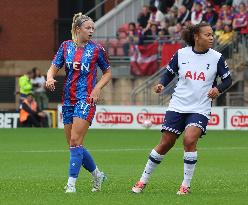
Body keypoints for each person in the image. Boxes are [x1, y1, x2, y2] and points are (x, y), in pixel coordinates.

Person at [132, 22, 232, 195]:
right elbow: (169, 72)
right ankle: (142, 181)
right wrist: (161, 84)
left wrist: (218, 89)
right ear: (196, 36)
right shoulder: (181, 54)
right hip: (178, 105)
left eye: (212, 34)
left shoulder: (216, 57)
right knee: (165, 144)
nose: (211, 37)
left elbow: (228, 80)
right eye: (207, 34)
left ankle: (185, 185)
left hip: (200, 107)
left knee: (189, 140)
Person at [46, 13, 111, 193]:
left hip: (86, 98)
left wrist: (97, 89)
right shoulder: (65, 46)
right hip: (68, 99)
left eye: (93, 28)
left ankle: (71, 185)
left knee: (75, 140)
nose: (91, 31)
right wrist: (50, 78)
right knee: (74, 145)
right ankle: (97, 174)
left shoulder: (97, 49)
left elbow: (107, 73)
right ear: (77, 29)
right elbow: (53, 67)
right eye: (88, 28)